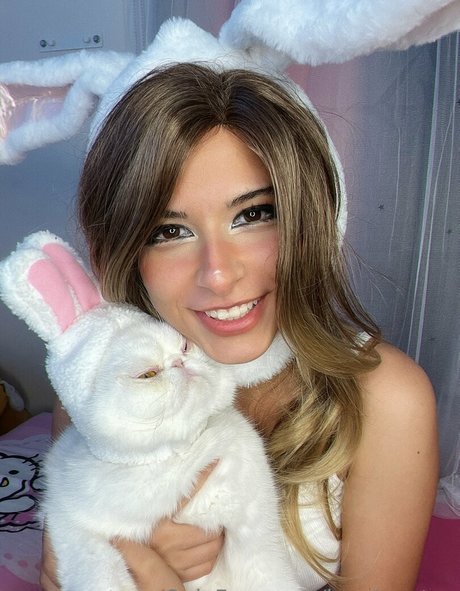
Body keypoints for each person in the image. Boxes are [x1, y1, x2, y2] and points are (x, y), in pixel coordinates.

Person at [40, 63, 438, 591]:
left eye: (252, 215)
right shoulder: (102, 384)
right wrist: (96, 561)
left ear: (308, 219)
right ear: (127, 252)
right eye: (169, 231)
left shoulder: (388, 399)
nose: (219, 274)